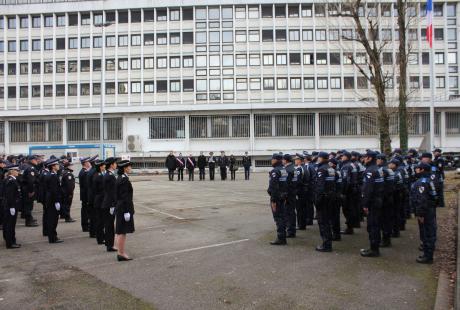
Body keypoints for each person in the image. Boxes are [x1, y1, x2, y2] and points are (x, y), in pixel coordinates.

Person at [411, 162, 437, 264]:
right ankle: (427, 254)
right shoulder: (428, 180)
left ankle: (428, 256)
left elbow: (422, 200)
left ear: (422, 170)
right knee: (430, 232)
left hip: (425, 211)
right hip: (430, 209)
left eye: (417, 168)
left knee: (427, 233)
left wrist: (420, 214)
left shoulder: (422, 182)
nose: (416, 170)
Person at [360, 151, 384, 257]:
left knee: (373, 226)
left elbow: (368, 190)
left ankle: (374, 250)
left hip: (373, 203)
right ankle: (374, 248)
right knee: (376, 225)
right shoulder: (378, 169)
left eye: (365, 157)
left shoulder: (370, 171)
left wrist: (365, 204)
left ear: (369, 158)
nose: (363, 159)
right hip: (378, 200)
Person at [314, 152, 337, 252]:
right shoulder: (331, 168)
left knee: (323, 222)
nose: (317, 159)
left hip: (323, 199)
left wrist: (317, 200)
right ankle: (328, 242)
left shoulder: (322, 169)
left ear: (321, 158)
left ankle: (326, 245)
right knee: (327, 220)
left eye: (318, 157)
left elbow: (320, 187)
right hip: (330, 197)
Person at [115, 160, 135, 261]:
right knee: (122, 232)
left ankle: (120, 252)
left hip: (120, 208)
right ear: (125, 168)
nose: (130, 168)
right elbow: (124, 197)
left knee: (120, 231)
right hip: (123, 208)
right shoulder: (123, 180)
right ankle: (121, 253)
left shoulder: (121, 178)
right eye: (129, 166)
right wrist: (127, 211)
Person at [267, 153, 288, 245]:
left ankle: (281, 238)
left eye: (272, 159)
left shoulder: (275, 171)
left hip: (277, 198)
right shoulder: (284, 170)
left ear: (276, 160)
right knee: (282, 217)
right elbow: (286, 185)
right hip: (283, 196)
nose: (271, 161)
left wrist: (273, 200)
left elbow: (274, 187)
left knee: (278, 218)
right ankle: (283, 236)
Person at [377, 154, 395, 247]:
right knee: (387, 219)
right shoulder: (390, 169)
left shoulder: (382, 170)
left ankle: (385, 240)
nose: (376, 161)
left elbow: (381, 185)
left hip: (384, 198)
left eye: (377, 159)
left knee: (384, 220)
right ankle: (387, 239)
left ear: (381, 160)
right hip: (389, 196)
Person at [340, 151, 360, 235]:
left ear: (346, 157)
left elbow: (346, 181)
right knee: (352, 208)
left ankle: (349, 228)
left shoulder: (346, 166)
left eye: (343, 156)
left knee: (347, 210)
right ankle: (352, 225)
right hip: (354, 190)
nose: (341, 157)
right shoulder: (354, 165)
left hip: (348, 192)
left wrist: (343, 192)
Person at [44, 158, 63, 244]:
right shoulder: (52, 176)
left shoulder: (51, 174)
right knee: (53, 219)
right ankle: (52, 238)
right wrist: (56, 201)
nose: (58, 166)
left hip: (50, 200)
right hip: (52, 201)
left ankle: (53, 236)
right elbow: (53, 190)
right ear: (53, 166)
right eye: (57, 165)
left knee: (52, 219)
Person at [3, 164, 22, 249]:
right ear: (12, 171)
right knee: (10, 225)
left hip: (11, 205)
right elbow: (9, 195)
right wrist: (11, 207)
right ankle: (10, 243)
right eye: (17, 170)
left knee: (10, 224)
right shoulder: (11, 181)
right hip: (11, 205)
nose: (18, 172)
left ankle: (11, 241)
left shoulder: (11, 179)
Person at [102, 157, 118, 252]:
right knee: (109, 226)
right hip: (109, 204)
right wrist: (112, 205)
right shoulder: (110, 176)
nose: (116, 165)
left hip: (107, 203)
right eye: (115, 163)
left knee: (109, 225)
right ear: (111, 165)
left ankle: (110, 244)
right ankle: (109, 245)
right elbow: (111, 192)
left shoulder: (109, 174)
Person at [21, 155, 39, 227]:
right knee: (28, 205)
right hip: (28, 189)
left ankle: (29, 218)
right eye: (35, 159)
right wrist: (31, 191)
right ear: (31, 160)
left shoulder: (25, 166)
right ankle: (28, 221)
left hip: (25, 188)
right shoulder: (31, 168)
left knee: (27, 205)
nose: (37, 161)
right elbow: (31, 181)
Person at [283, 154, 296, 238]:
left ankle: (290, 231)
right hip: (293, 192)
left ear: (286, 160)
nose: (282, 161)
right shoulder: (294, 168)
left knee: (289, 212)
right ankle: (292, 229)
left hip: (288, 194)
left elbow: (286, 184)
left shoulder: (287, 170)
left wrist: (284, 195)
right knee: (292, 212)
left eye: (283, 159)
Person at [93, 160, 106, 245]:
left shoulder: (97, 175)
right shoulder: (99, 176)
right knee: (100, 221)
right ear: (100, 167)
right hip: (100, 200)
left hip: (98, 199)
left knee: (100, 220)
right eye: (104, 165)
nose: (105, 166)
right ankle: (100, 238)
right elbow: (102, 190)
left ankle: (100, 237)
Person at [87, 156, 98, 238]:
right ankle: (93, 232)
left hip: (91, 196)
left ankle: (92, 231)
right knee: (94, 215)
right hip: (94, 197)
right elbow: (95, 186)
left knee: (92, 215)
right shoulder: (94, 172)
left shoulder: (91, 171)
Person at [78, 157, 91, 232]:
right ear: (85, 163)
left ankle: (86, 225)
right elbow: (87, 186)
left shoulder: (84, 171)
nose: (89, 163)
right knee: (85, 211)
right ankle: (85, 226)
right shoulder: (84, 172)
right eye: (88, 162)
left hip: (84, 195)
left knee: (85, 210)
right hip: (85, 195)